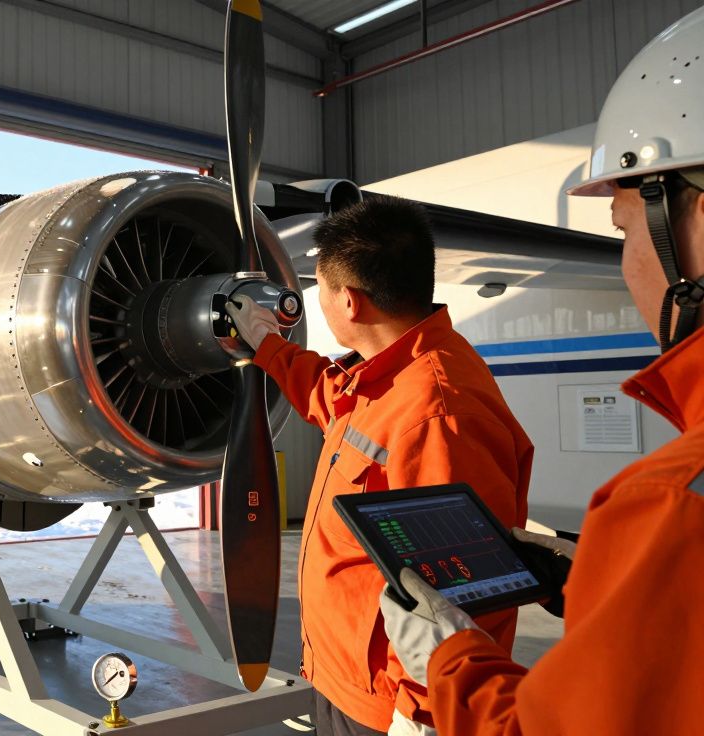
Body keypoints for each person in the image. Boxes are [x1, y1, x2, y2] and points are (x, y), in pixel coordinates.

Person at [378, 8, 704, 735]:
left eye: (624, 228)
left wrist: (449, 656)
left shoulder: (672, 501)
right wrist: (584, 576)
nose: (627, 266)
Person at [226, 195, 534, 735]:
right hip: (342, 676)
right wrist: (267, 345)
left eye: (320, 288)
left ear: (348, 302)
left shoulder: (438, 414)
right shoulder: (390, 376)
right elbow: (328, 398)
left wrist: (422, 715)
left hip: (386, 705)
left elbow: (459, 589)